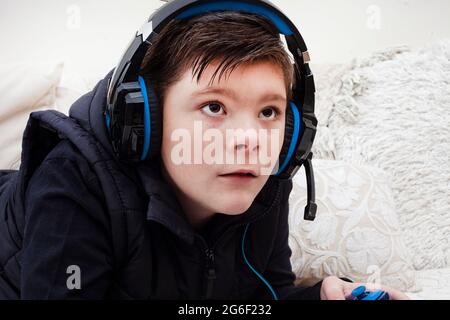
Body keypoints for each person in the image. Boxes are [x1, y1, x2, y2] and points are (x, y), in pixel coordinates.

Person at [0, 0, 409, 300]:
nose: (251, 139)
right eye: (214, 107)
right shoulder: (72, 182)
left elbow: (261, 297)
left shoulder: (262, 182)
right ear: (146, 119)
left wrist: (320, 297)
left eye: (269, 111)